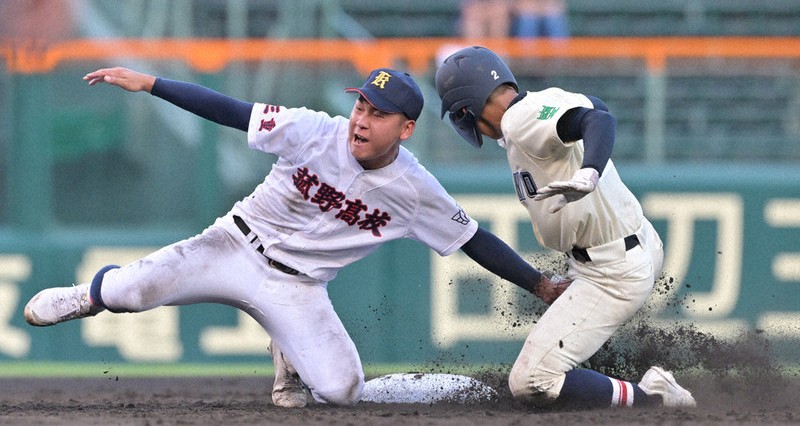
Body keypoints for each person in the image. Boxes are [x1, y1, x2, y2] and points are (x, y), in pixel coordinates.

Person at [24, 66, 570, 408]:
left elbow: (474, 240)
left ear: (405, 129)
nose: (361, 119)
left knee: (340, 392)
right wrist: (152, 84)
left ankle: (288, 351)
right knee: (127, 294)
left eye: (378, 114)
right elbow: (232, 112)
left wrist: (539, 284)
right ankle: (86, 296)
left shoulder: (416, 190)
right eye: (360, 104)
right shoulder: (314, 129)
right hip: (233, 245)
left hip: (299, 288)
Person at [434, 46, 696, 409]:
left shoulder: (518, 119)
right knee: (559, 354)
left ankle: (652, 397)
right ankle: (603, 385)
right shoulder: (537, 103)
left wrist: (589, 170)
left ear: (466, 108)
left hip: (611, 270)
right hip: (629, 245)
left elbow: (599, 121)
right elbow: (597, 106)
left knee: (531, 381)